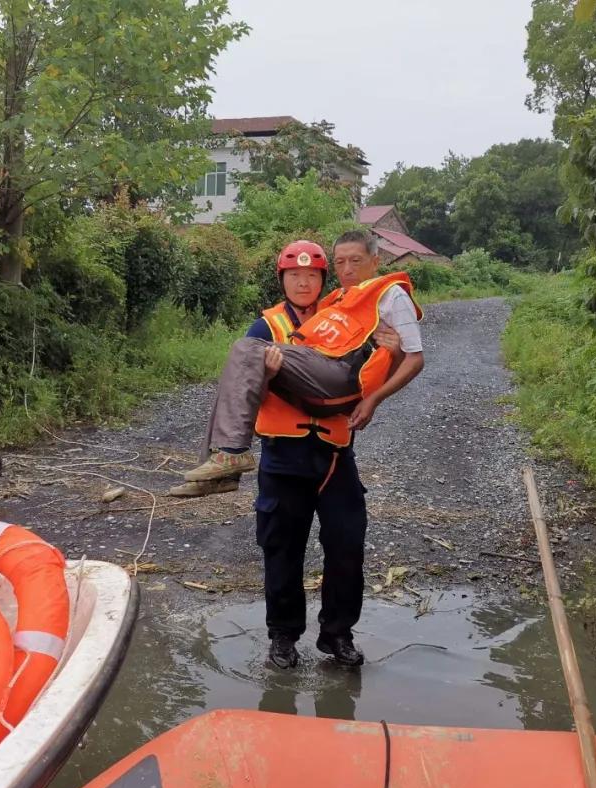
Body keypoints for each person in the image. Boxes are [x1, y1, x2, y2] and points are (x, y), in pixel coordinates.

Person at [181, 234, 424, 669]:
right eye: (295, 275)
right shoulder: (265, 326)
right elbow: (241, 390)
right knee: (282, 550)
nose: (303, 283)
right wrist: (271, 375)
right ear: (283, 279)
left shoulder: (344, 312)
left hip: (333, 455)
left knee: (347, 546)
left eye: (311, 275)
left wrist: (382, 353)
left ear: (322, 279)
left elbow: (374, 369)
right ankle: (283, 637)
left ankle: (337, 636)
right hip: (283, 455)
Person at [181, 231, 425, 487]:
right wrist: (269, 375)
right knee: (241, 359)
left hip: (337, 399)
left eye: (356, 261)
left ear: (375, 261)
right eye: (340, 262)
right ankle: (221, 469)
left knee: (247, 350)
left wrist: (374, 398)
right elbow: (243, 390)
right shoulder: (338, 301)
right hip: (288, 434)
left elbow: (414, 358)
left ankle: (232, 454)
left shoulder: (390, 295)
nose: (347, 269)